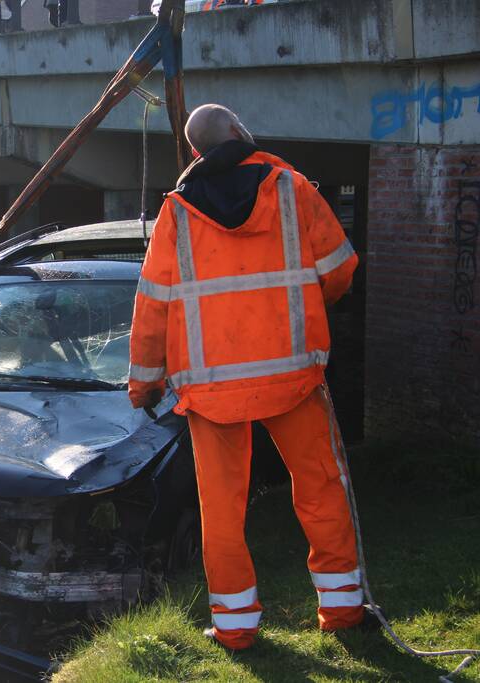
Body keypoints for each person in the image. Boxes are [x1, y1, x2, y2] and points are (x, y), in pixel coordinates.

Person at [128, 104, 361, 651]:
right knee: (322, 489)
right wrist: (301, 309)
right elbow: (340, 270)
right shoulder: (291, 188)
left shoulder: (176, 212)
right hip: (294, 376)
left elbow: (152, 306)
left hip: (209, 389)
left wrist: (144, 384)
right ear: (237, 132)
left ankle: (235, 628)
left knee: (222, 510)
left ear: (195, 152)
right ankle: (344, 611)